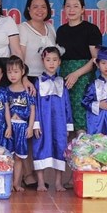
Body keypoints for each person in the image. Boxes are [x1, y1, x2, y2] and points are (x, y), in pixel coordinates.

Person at [56, 0, 102, 136]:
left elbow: (95, 59)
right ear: (64, 8)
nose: (71, 10)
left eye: (76, 6)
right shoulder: (61, 31)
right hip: (65, 78)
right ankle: (67, 148)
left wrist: (76, 74)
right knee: (65, 113)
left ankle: (83, 147)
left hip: (84, 77)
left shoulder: (91, 29)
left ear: (83, 9)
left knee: (81, 114)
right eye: (68, 6)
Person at [31, 47, 73, 191]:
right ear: (42, 61)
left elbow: (67, 104)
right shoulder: (37, 81)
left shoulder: (62, 82)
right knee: (40, 147)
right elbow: (34, 104)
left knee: (60, 148)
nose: (51, 63)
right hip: (43, 122)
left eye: (55, 60)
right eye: (48, 60)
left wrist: (68, 125)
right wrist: (36, 123)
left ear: (59, 62)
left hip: (59, 122)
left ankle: (58, 182)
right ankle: (41, 182)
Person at [5, 56, 35, 192]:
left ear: (23, 72)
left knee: (19, 156)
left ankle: (16, 183)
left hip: (22, 126)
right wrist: (7, 126)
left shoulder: (27, 90)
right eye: (9, 72)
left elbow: (33, 109)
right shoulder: (6, 91)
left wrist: (30, 127)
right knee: (8, 155)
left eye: (16, 71)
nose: (12, 75)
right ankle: (8, 183)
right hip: (9, 127)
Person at [18, 0, 57, 82]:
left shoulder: (50, 27)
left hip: (50, 79)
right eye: (35, 7)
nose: (40, 10)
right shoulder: (23, 28)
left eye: (43, 7)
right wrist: (23, 78)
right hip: (29, 79)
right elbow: (19, 57)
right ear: (28, 9)